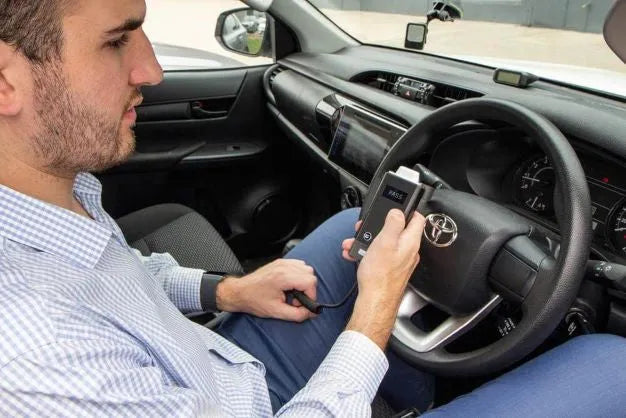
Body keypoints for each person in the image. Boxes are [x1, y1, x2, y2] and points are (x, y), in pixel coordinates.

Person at [0, 0, 624, 416]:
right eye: (115, 42)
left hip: (217, 380)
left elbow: (123, 279)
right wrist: (376, 313)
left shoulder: (53, 194)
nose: (152, 69)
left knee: (354, 233)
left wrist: (230, 292)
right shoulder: (29, 346)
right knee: (610, 364)